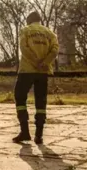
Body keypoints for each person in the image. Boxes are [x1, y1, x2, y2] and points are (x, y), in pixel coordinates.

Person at [13, 12, 59, 145]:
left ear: (29, 20)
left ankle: (25, 131)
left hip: (27, 69)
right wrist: (45, 62)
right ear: (40, 20)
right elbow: (55, 50)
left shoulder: (26, 30)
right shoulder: (50, 33)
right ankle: (39, 135)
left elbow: (24, 48)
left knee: (20, 97)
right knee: (41, 101)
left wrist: (35, 61)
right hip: (43, 72)